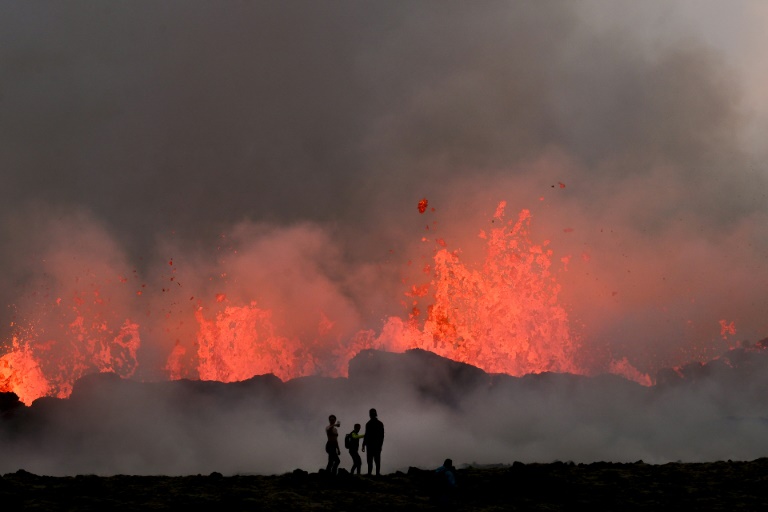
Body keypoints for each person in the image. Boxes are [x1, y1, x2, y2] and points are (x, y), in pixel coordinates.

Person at [361, 408, 384, 475]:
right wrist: (380, 445)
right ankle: (377, 473)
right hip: (375, 445)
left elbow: (366, 435)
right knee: (376, 460)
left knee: (370, 460)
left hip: (370, 445)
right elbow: (382, 436)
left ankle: (370, 473)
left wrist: (363, 445)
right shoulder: (379, 423)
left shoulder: (368, 424)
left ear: (370, 415)